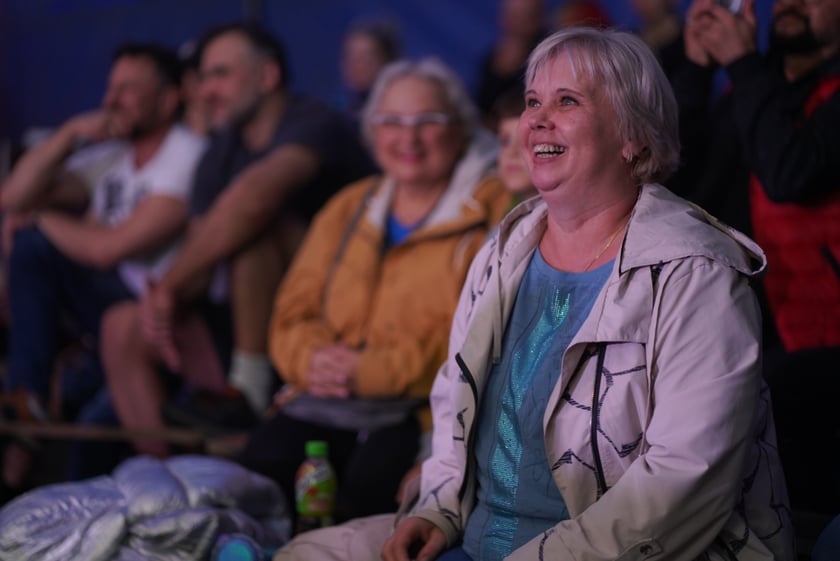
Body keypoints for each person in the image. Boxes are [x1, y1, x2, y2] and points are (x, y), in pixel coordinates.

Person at [376, 26, 793, 561]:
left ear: (633, 136)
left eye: (566, 100)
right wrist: (436, 509)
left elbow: (683, 481)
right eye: (532, 101)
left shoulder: (697, 273)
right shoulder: (505, 248)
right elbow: (452, 400)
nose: (536, 120)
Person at [236, 57, 512, 526]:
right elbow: (292, 310)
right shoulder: (351, 203)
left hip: (419, 410)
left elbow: (485, 329)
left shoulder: (492, 207)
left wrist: (375, 370)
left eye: (428, 121)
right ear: (372, 129)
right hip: (325, 396)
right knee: (256, 481)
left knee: (370, 499)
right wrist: (310, 359)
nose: (408, 138)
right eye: (392, 122)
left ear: (461, 127)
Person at [100, 22, 375, 457]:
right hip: (246, 315)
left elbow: (256, 197)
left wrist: (167, 285)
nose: (206, 90)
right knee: (121, 325)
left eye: (221, 74)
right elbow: (200, 252)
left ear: (267, 77)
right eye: (204, 77)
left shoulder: (315, 120)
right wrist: (164, 304)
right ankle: (169, 487)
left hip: (344, 315)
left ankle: (248, 391)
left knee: (254, 230)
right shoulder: (218, 153)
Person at [0, 43, 206, 492]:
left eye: (129, 89)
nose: (112, 99)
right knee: (28, 239)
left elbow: (108, 251)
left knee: (35, 241)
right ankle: (27, 398)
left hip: (160, 316)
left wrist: (41, 220)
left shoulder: (186, 152)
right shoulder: (114, 156)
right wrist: (71, 131)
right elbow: (12, 196)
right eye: (111, 87)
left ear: (169, 100)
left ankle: (28, 403)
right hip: (106, 317)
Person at [674, 0, 840, 513]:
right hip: (742, 331)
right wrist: (700, 70)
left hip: (824, 344)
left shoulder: (761, 82)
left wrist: (743, 66)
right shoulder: (754, 86)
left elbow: (791, 172)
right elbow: (677, 185)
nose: (789, 3)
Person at [475, 0, 547, 123]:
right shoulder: (491, 59)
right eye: (512, 15)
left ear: (539, 19)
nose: (516, 23)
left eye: (526, 16)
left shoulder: (548, 58)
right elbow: (481, 107)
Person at [334, 18, 401, 129]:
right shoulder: (337, 109)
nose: (354, 64)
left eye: (366, 57)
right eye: (349, 55)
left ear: (389, 60)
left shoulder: (397, 111)